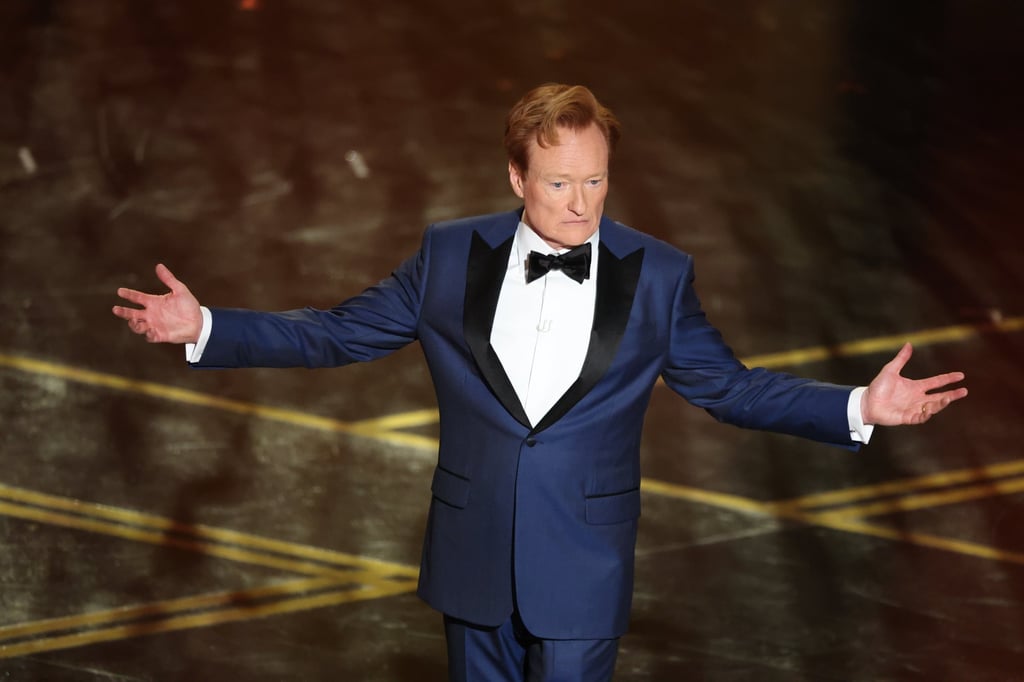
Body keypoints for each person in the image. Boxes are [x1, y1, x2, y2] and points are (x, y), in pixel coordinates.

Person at [112, 83, 967, 681]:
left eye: (596, 180)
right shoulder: (450, 256)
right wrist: (209, 326)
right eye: (559, 183)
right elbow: (338, 332)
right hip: (474, 552)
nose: (582, 204)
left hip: (584, 565)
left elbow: (727, 388)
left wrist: (858, 406)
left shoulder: (658, 275)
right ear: (517, 178)